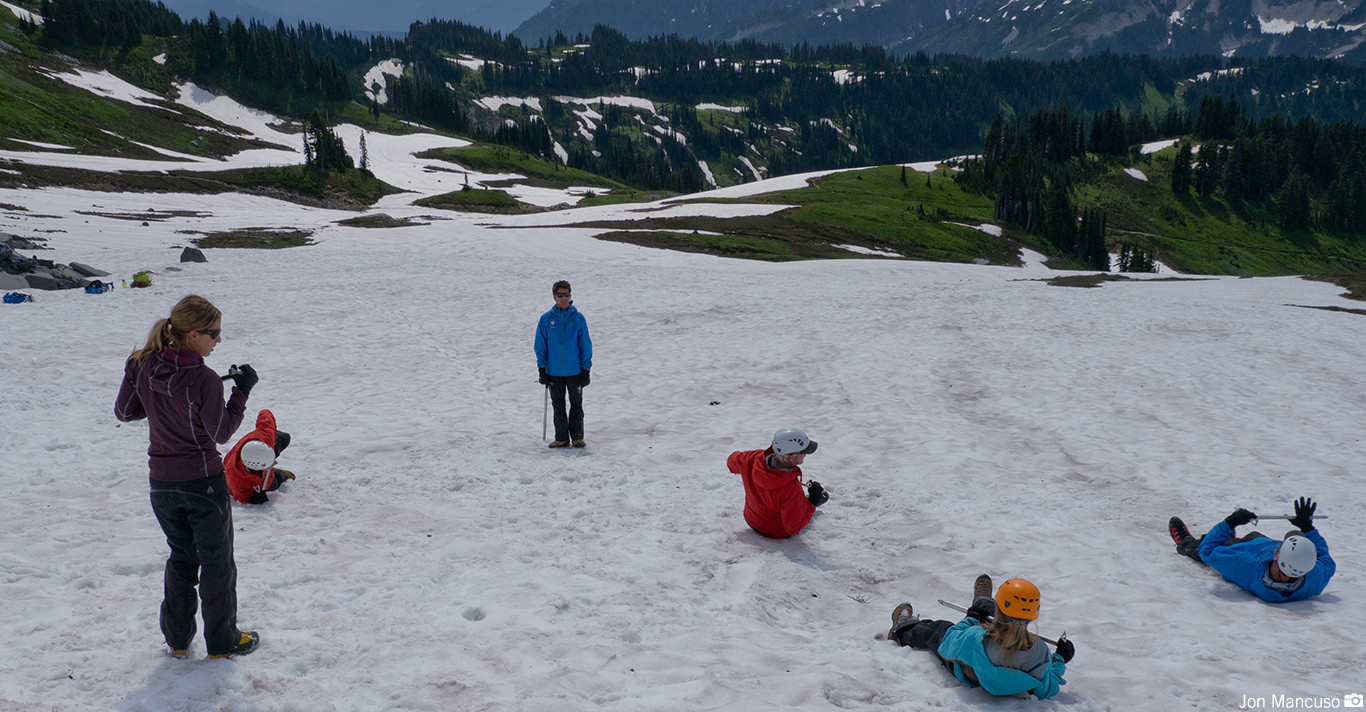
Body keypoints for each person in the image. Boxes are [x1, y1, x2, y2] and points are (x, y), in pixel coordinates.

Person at [114, 295, 261, 659]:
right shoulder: (205, 380)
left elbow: (124, 411)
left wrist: (163, 405)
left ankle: (178, 642)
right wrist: (241, 392)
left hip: (161, 485)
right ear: (193, 334)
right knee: (217, 563)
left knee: (181, 558)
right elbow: (223, 432)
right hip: (203, 483)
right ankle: (223, 644)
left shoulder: (141, 365)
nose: (219, 341)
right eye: (215, 334)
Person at [887, 575, 1071, 700]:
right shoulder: (1040, 652)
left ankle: (902, 628)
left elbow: (949, 644)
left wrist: (971, 618)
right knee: (981, 614)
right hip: (1001, 679)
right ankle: (983, 601)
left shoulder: (978, 639)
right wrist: (1061, 658)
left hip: (968, 672)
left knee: (939, 629)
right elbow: (1047, 686)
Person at [1168, 497, 1335, 602]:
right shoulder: (1315, 577)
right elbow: (1325, 558)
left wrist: (1230, 522)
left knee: (1204, 547)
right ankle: (1226, 536)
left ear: (1276, 556)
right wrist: (1308, 528)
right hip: (1259, 544)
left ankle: (1185, 543)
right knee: (1251, 537)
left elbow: (1208, 551)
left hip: (1245, 550)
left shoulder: (1244, 565)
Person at [727, 427, 829, 538]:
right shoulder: (790, 488)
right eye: (803, 452)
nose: (805, 455)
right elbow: (793, 527)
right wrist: (813, 502)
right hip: (776, 532)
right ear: (792, 457)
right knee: (799, 507)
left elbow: (731, 461)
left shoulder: (753, 458)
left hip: (751, 519)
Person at [534, 280, 593, 448]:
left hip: (575, 370)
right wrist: (542, 368)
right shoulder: (546, 319)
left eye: (566, 295)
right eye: (560, 295)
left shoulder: (578, 318)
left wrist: (586, 368)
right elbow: (540, 344)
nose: (563, 298)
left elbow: (585, 344)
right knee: (558, 404)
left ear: (570, 296)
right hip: (554, 371)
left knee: (576, 404)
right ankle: (561, 438)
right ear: (554, 297)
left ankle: (577, 437)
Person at [225, 408, 296, 505]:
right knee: (274, 481)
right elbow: (242, 496)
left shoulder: (264, 436)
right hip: (253, 478)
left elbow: (265, 415)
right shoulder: (238, 482)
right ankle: (279, 474)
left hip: (257, 454)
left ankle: (271, 467)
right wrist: (255, 498)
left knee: (284, 438)